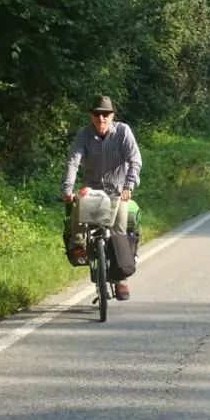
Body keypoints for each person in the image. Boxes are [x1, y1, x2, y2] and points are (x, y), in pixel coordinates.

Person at [61, 96, 143, 300]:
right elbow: (73, 162)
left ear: (112, 116)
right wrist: (68, 188)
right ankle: (79, 248)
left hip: (117, 191)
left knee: (119, 229)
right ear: (91, 116)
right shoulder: (84, 135)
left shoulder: (123, 131)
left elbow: (135, 160)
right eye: (97, 114)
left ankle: (121, 279)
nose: (101, 118)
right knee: (77, 210)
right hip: (92, 190)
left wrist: (128, 186)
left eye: (105, 114)